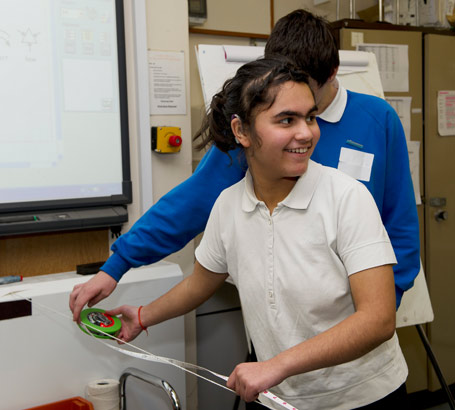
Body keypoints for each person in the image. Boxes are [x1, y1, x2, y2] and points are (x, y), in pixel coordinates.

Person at [69, 9, 419, 321]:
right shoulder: (258, 131)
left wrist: (382, 306)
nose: (299, 120)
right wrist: (116, 265)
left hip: (358, 316)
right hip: (281, 322)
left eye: (307, 97)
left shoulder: (378, 121)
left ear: (332, 72)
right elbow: (189, 204)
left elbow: (399, 223)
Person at [105, 58, 409, 410]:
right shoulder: (228, 205)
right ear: (242, 131)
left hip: (361, 398)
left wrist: (275, 366)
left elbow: (378, 319)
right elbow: (201, 282)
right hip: (274, 398)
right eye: (286, 120)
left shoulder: (347, 198)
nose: (306, 132)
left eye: (310, 117)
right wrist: (142, 317)